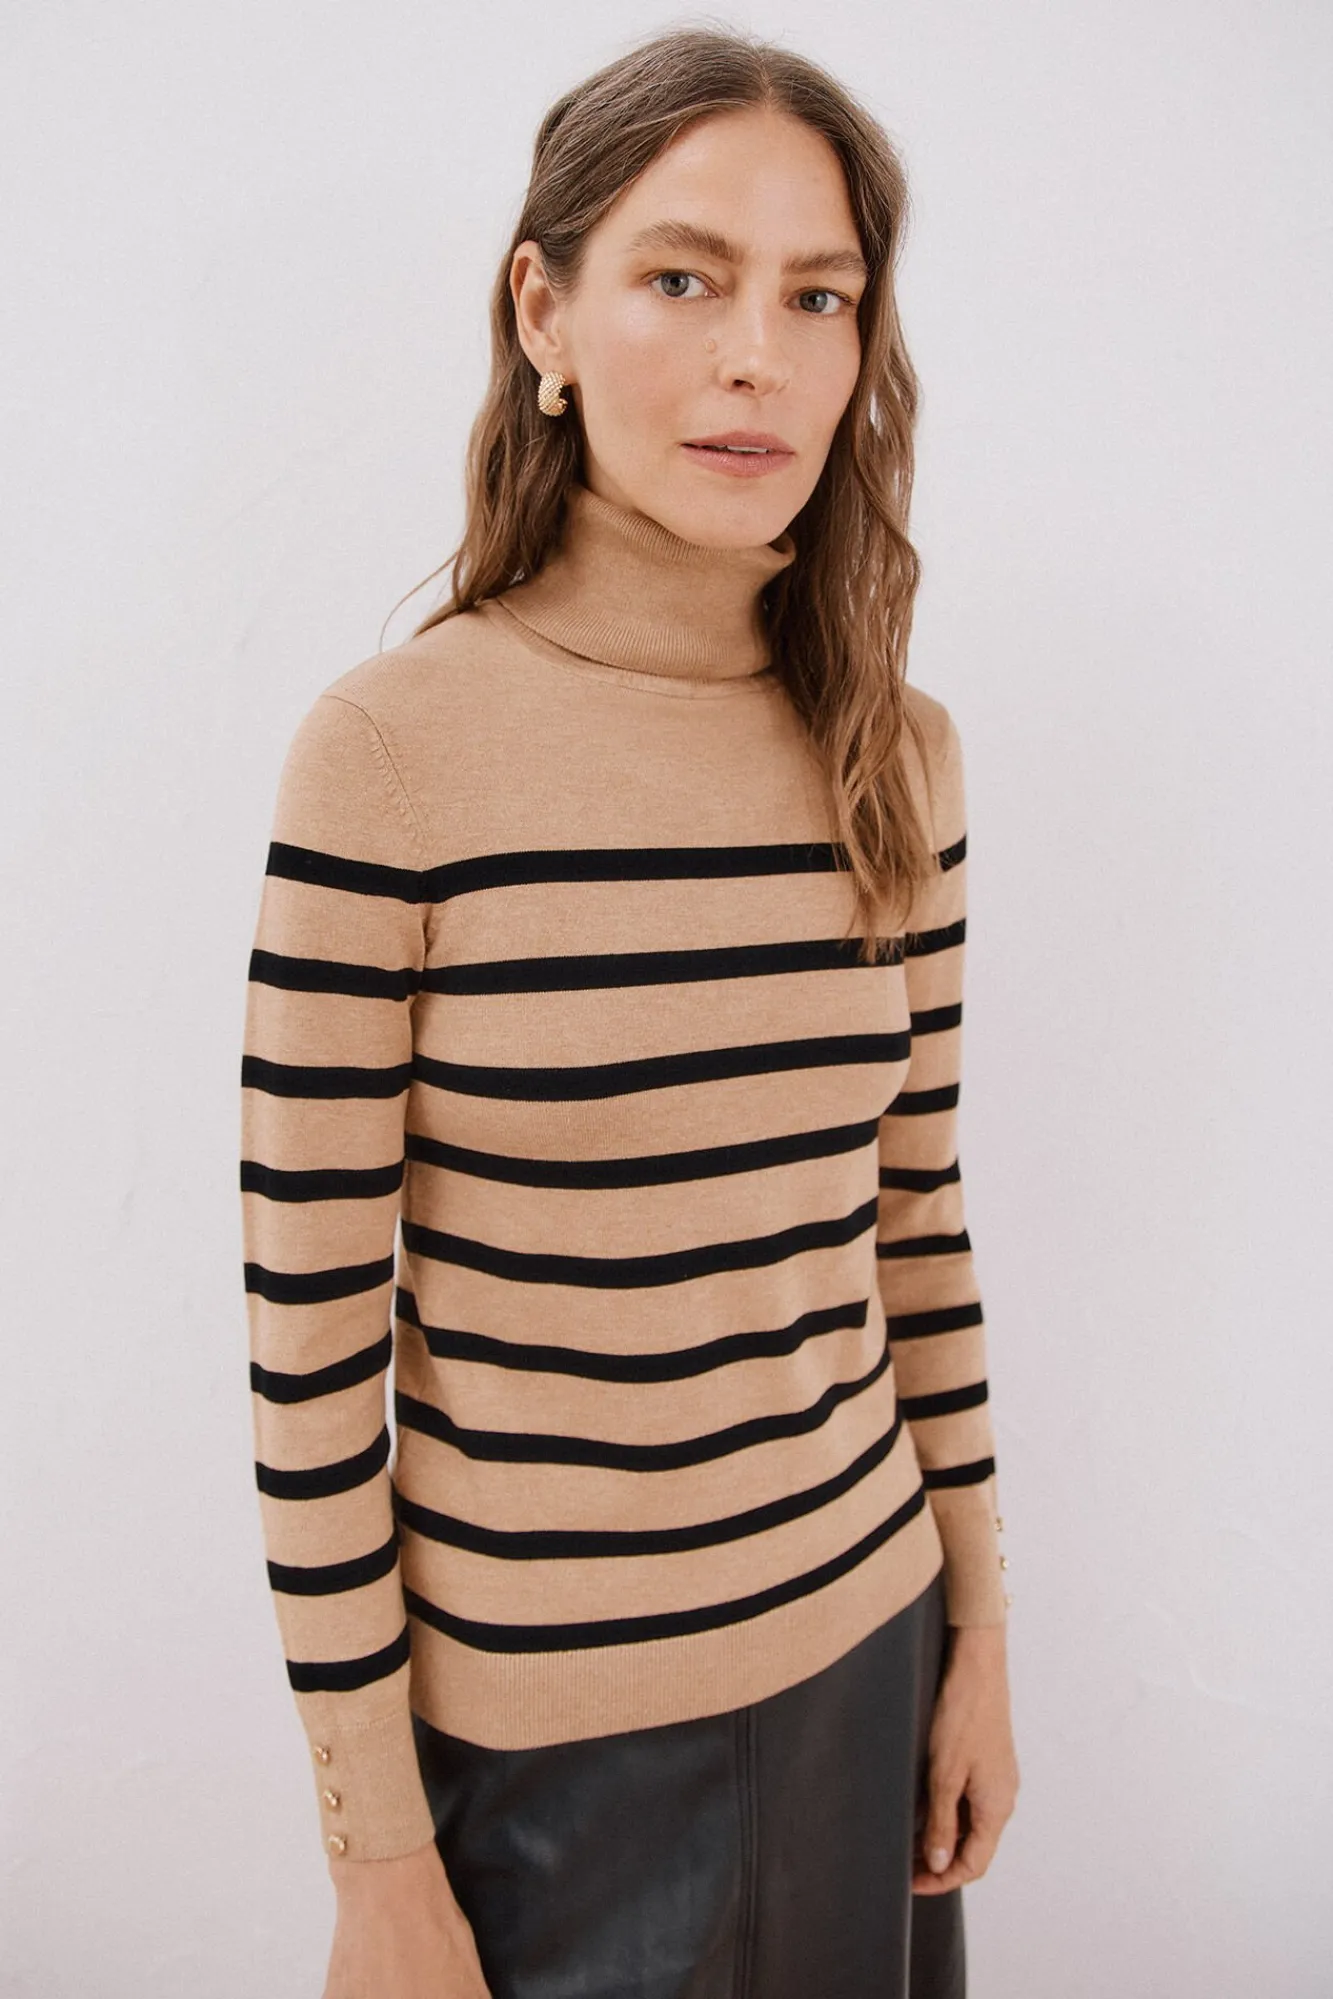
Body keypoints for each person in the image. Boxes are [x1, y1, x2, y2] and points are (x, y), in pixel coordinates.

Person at [239, 25, 1019, 1999]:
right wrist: (376, 1859)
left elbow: (914, 1225)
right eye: (685, 276)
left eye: (817, 296)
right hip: (551, 1759)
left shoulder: (899, 754)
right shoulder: (393, 759)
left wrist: (984, 1642)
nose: (759, 354)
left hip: (873, 1651)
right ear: (546, 314)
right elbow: (314, 1358)